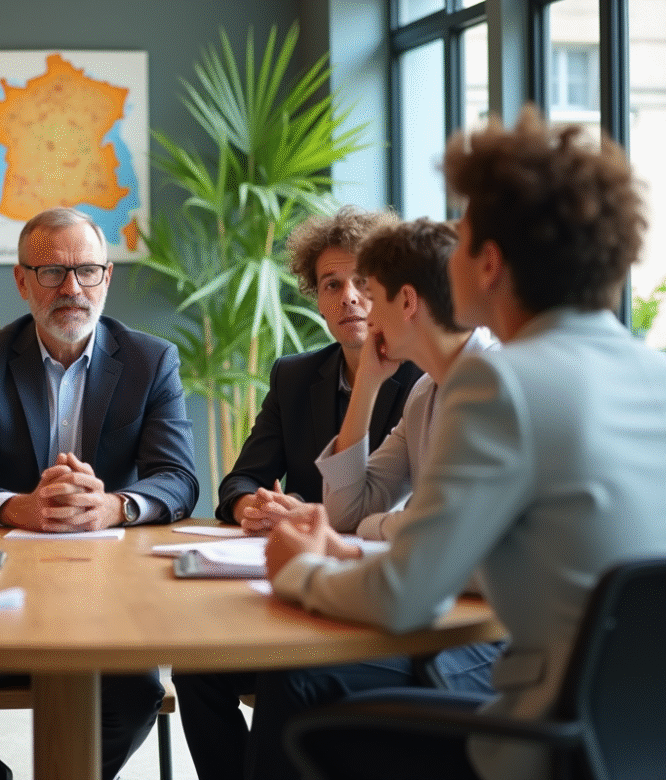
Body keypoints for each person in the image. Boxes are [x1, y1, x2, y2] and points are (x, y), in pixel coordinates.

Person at [266, 106, 666, 780]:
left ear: (487, 263)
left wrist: (297, 568)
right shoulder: (650, 372)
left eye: (463, 234)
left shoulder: (499, 385)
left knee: (307, 712)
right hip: (637, 743)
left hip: (549, 743)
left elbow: (403, 598)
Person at [0, 207, 199, 780]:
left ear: (107, 277)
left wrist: (112, 506)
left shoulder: (150, 360)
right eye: (51, 272)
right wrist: (21, 507)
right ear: (22, 281)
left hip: (109, 590)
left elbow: (179, 478)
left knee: (134, 694)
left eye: (87, 271)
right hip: (2, 590)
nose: (72, 288)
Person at [241, 218, 501, 780]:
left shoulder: (492, 387)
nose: (359, 309)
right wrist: (369, 383)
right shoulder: (429, 391)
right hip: (453, 618)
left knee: (295, 679)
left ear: (406, 301)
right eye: (338, 287)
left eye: (371, 293)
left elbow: (423, 560)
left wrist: (325, 559)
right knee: (287, 675)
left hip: (493, 651)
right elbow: (350, 510)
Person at [174, 207, 423, 780]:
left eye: (364, 282)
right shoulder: (294, 374)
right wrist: (251, 505)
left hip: (362, 584)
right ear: (317, 298)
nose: (350, 298)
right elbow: (239, 478)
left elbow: (407, 508)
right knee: (195, 667)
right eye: (333, 285)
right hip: (286, 585)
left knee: (288, 682)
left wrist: (315, 520)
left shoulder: (422, 380)